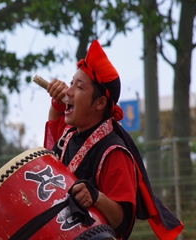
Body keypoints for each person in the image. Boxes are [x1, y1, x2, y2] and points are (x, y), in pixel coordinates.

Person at [43, 39, 183, 239]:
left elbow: (122, 219)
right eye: (71, 82)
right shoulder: (71, 134)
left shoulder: (114, 152)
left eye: (79, 87)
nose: (68, 91)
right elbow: (51, 152)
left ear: (100, 103)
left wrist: (95, 197)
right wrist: (57, 103)